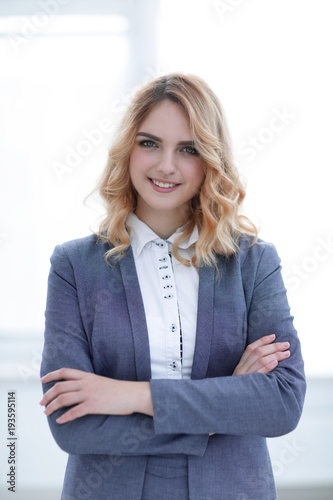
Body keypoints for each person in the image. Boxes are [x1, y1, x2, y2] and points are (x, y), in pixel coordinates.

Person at [40, 73, 306, 500]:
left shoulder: (254, 263)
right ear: (128, 149)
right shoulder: (74, 266)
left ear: (211, 160)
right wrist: (224, 410)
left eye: (189, 149)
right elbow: (72, 425)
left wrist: (125, 395)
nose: (166, 165)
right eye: (149, 143)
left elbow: (281, 404)